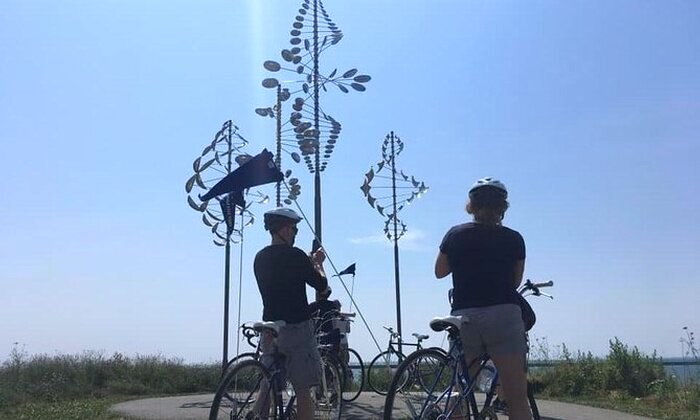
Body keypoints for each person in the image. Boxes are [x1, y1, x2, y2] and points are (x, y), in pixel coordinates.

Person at [434, 177, 532, 420]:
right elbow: (515, 282)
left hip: (465, 317)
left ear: (471, 206)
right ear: (503, 207)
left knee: (459, 392)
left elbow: (439, 271)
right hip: (503, 316)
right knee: (516, 397)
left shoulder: (455, 234)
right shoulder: (514, 238)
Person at [254, 207, 329, 420]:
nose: (295, 234)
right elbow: (321, 286)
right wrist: (317, 263)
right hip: (297, 327)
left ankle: (254, 415)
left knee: (267, 383)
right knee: (303, 389)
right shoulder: (296, 256)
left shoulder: (259, 257)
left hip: (270, 327)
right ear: (285, 230)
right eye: (294, 229)